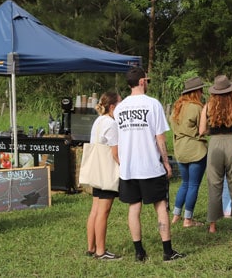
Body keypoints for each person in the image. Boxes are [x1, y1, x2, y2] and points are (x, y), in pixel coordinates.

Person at [114, 66, 184, 262]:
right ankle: (167, 251)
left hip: (128, 168)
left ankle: (139, 252)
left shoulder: (119, 108)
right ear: (142, 82)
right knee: (160, 206)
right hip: (150, 166)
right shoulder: (153, 104)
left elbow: (118, 138)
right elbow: (160, 138)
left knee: (134, 208)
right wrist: (166, 163)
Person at [198, 75, 232, 235]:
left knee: (214, 184)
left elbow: (201, 131)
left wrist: (211, 131)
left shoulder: (207, 106)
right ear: (230, 90)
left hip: (215, 145)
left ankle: (213, 225)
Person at [86, 91, 122, 260]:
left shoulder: (98, 121)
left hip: (97, 171)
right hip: (107, 173)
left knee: (95, 210)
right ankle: (101, 251)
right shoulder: (112, 124)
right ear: (113, 107)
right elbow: (115, 153)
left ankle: (91, 247)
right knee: (104, 211)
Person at [170, 77, 207, 228]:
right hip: (196, 151)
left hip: (180, 150)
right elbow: (203, 129)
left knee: (184, 184)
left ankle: (176, 216)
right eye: (201, 90)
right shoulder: (197, 107)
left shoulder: (177, 107)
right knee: (193, 185)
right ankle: (188, 219)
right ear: (197, 91)